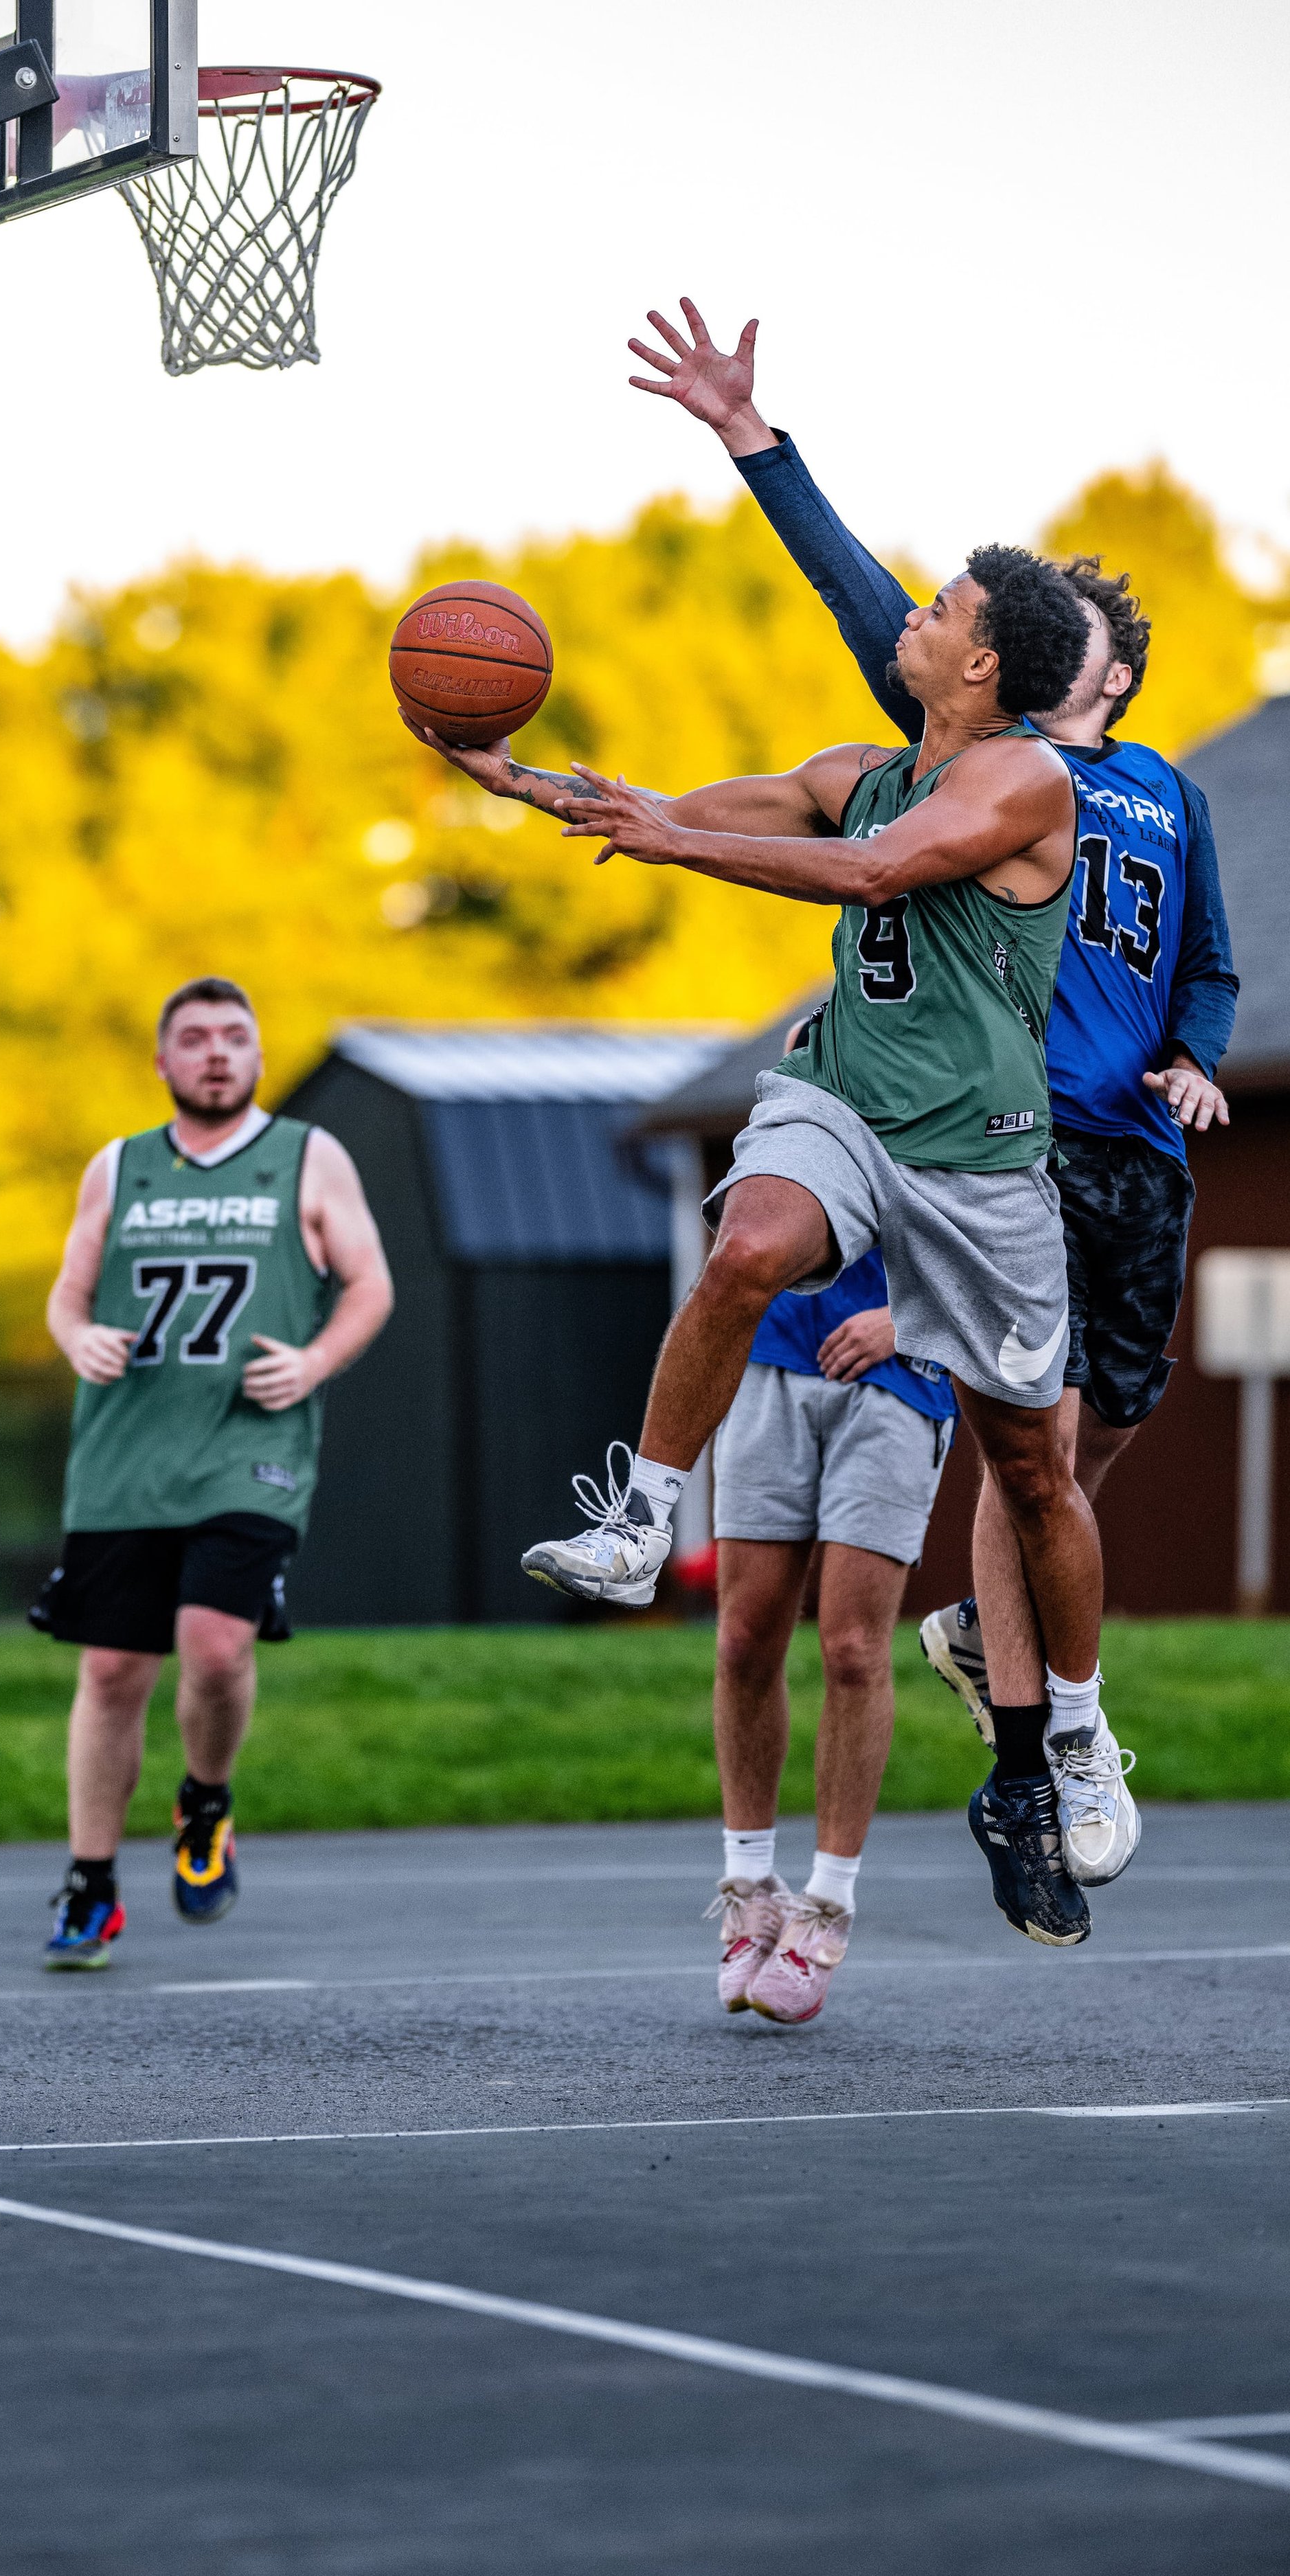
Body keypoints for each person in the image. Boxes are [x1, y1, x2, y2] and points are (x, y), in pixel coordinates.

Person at [406, 541, 1103, 1947]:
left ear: (979, 666)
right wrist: (527, 780)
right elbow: (669, 808)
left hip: (975, 1165)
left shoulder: (1026, 781)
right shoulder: (859, 764)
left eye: (939, 609)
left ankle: (1073, 1724)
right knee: (743, 1250)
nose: (912, 615)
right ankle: (638, 1519)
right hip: (842, 1103)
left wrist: (674, 845)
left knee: (1033, 1479)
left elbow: (877, 873)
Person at [623, 300, 1238, 1891]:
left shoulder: (1166, 792)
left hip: (1125, 1151)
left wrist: (1194, 1050)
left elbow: (1213, 964)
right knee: (1010, 1441)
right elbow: (861, 600)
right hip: (977, 1138)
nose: (1064, 615)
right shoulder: (970, 749)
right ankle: (1033, 1755)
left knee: (1067, 1461)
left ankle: (1020, 1677)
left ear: (1104, 667)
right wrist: (758, 445)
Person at [32, 977, 393, 1967]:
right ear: (162, 1061)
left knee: (217, 1646)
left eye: (236, 1036)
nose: (217, 1053)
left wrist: (316, 1361)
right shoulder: (119, 1166)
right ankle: (92, 1884)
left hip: (252, 1446)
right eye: (194, 1039)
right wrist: (80, 1339)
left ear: (260, 1056)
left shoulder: (308, 1157)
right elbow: (66, 1297)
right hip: (126, 1449)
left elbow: (371, 1282)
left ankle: (205, 1802)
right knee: (110, 1668)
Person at [705, 1206, 956, 2024]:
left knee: (851, 1647)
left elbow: (1013, 1231)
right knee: (743, 1639)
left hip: (900, 1373)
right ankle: (749, 1888)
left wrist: (909, 1316)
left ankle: (826, 1906)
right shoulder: (801, 1076)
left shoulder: (980, 1081)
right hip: (770, 1359)